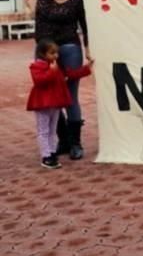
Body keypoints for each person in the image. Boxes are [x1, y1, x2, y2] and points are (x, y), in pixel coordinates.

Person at [33, 0, 91, 160]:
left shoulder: (76, 0)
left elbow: (86, 26)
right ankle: (63, 140)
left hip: (69, 50)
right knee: (49, 96)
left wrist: (88, 49)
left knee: (69, 96)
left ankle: (76, 143)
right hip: (44, 53)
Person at [27, 38, 93, 169]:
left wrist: (87, 68)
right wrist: (52, 71)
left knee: (52, 130)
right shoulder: (37, 67)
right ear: (43, 54)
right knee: (43, 131)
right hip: (42, 104)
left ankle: (52, 152)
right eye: (52, 53)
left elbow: (72, 74)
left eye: (56, 53)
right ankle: (46, 156)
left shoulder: (57, 66)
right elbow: (40, 81)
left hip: (55, 104)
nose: (56, 56)